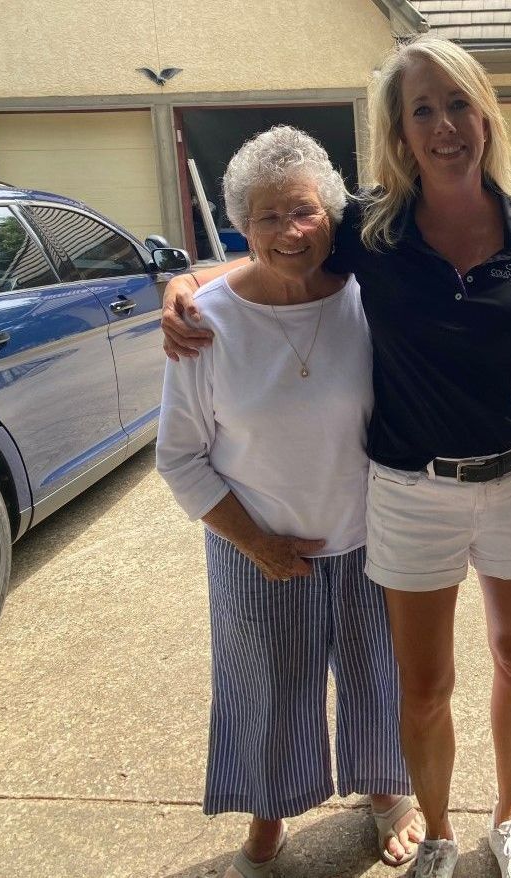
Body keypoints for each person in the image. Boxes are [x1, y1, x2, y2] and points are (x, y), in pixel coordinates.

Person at [162, 36, 511, 878]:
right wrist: (186, 287)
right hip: (406, 492)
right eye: (421, 109)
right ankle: (406, 828)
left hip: (493, 483)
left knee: (473, 665)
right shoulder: (376, 231)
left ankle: (475, 813)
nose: (443, 124)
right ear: (399, 130)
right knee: (376, 688)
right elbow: (281, 234)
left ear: (484, 111)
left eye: (456, 103)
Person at [155, 126, 425, 878]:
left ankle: (385, 793)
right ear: (242, 225)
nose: (290, 231)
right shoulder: (204, 322)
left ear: (332, 217)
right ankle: (267, 814)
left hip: (372, 538)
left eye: (304, 211)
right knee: (265, 690)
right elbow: (177, 455)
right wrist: (257, 543)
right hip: (256, 546)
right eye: (268, 217)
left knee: (382, 678)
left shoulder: (373, 302)